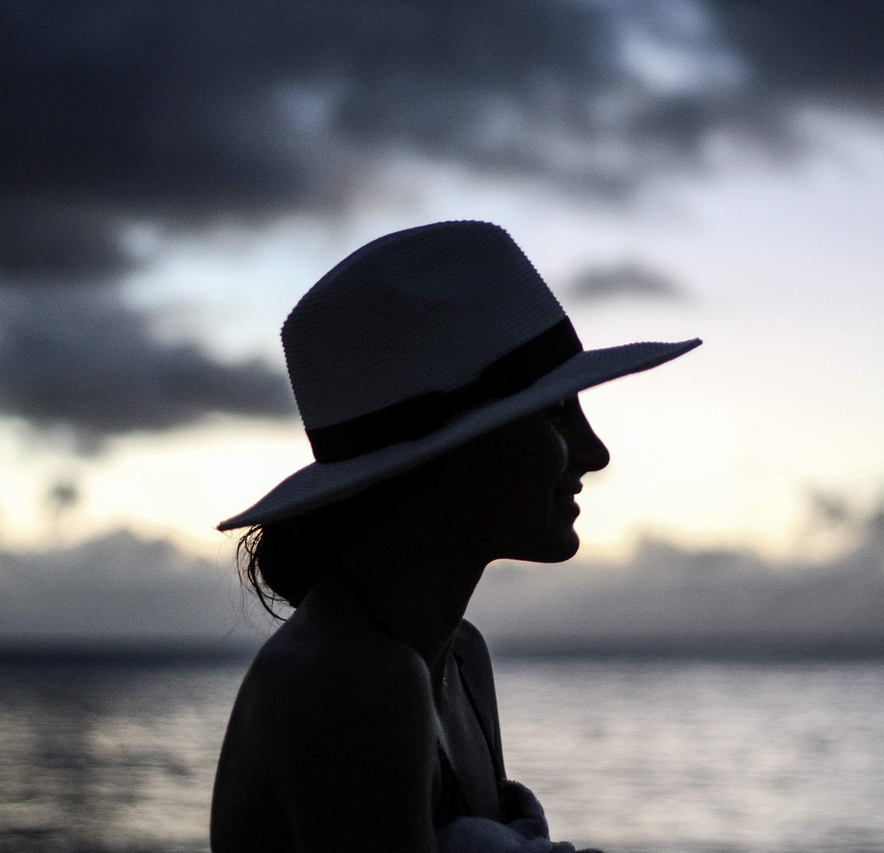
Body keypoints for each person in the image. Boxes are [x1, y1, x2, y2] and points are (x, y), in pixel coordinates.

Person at [209, 221, 700, 852]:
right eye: (555, 412)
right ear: (450, 451)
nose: (595, 453)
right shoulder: (352, 683)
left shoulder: (458, 658)